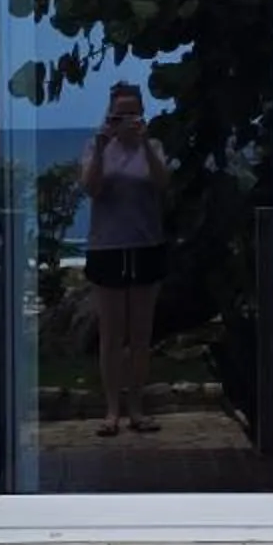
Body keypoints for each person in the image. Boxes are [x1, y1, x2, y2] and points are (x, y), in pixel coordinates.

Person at [79, 81, 171, 438]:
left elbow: (162, 183)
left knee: (141, 334)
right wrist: (104, 146)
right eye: (120, 113)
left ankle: (137, 408)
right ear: (109, 114)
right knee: (112, 335)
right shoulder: (96, 146)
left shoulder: (155, 147)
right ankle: (112, 410)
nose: (127, 119)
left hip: (146, 245)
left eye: (134, 112)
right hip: (107, 247)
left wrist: (145, 142)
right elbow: (90, 188)